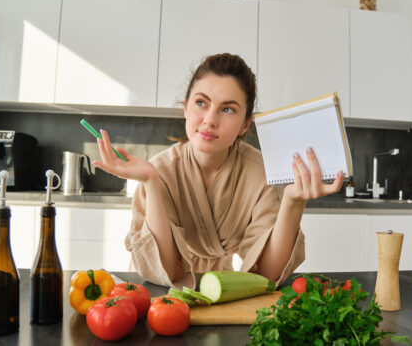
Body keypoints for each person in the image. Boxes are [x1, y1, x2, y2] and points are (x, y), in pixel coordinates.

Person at [94, 53, 344, 288]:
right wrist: (151, 182)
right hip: (159, 290)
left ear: (246, 124)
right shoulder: (158, 170)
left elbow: (266, 275)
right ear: (185, 107)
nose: (210, 119)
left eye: (227, 109)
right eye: (201, 102)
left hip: (220, 279)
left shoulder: (261, 174)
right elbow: (166, 271)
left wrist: (293, 202)